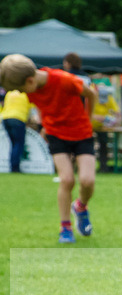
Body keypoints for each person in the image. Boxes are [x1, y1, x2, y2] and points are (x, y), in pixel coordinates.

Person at [1, 54, 97, 243]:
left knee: (87, 181)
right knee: (67, 179)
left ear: (30, 81)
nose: (21, 94)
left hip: (81, 132)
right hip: (56, 134)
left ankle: (80, 207)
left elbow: (91, 94)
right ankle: (65, 228)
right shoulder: (29, 88)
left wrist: (89, 119)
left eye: (21, 90)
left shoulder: (65, 80)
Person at [90, 84, 122, 173]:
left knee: (104, 145)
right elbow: (87, 113)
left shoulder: (109, 98)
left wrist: (115, 121)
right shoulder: (91, 98)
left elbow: (118, 113)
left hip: (103, 127)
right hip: (89, 126)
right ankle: (87, 167)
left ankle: (103, 167)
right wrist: (98, 117)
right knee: (87, 145)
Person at [2, 87, 30, 173]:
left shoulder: (9, 93)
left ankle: (12, 166)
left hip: (6, 118)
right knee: (18, 143)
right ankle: (15, 168)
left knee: (13, 143)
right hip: (18, 119)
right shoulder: (26, 94)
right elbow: (30, 107)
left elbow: (3, 106)